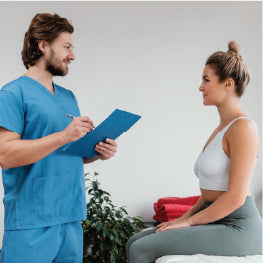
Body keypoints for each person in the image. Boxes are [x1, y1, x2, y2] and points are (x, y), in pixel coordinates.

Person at [126, 41, 262, 262]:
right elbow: (210, 192)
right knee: (134, 241)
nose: (200, 87)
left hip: (239, 227)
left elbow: (236, 197)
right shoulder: (222, 129)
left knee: (142, 248)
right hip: (216, 218)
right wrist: (182, 217)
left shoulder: (243, 128)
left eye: (206, 80)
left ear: (228, 83)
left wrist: (187, 223)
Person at [0, 13, 117, 263]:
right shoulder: (12, 94)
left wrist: (94, 153)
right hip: (31, 224)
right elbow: (6, 155)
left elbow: (61, 154)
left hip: (70, 218)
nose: (72, 55)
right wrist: (63, 135)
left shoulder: (68, 97)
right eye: (66, 47)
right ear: (43, 44)